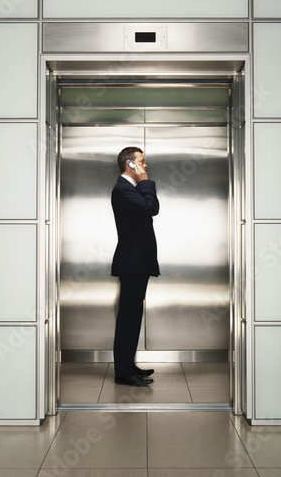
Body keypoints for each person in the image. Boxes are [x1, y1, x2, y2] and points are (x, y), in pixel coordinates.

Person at [111, 146, 160, 386]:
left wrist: (141, 184)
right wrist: (145, 182)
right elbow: (152, 208)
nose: (145, 165)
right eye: (142, 161)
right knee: (128, 318)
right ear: (130, 164)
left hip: (137, 262)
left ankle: (128, 366)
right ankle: (122, 372)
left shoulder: (129, 189)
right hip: (132, 262)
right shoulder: (122, 190)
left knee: (133, 316)